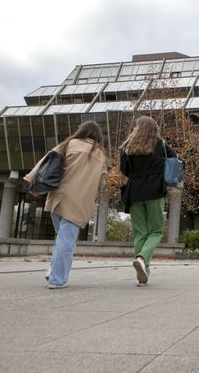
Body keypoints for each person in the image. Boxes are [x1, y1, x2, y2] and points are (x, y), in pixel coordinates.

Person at [25, 121, 107, 289]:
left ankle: (53, 270)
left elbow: (45, 162)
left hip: (58, 198)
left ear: (81, 131)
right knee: (66, 240)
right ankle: (57, 279)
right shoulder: (100, 155)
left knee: (63, 237)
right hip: (78, 203)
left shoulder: (67, 144)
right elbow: (102, 182)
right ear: (98, 136)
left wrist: (33, 184)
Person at [120, 116, 175, 286]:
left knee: (140, 233)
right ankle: (142, 258)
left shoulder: (127, 147)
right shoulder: (160, 145)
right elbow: (176, 161)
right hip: (154, 191)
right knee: (156, 231)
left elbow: (125, 171)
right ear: (154, 129)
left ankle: (143, 274)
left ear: (137, 128)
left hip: (134, 192)